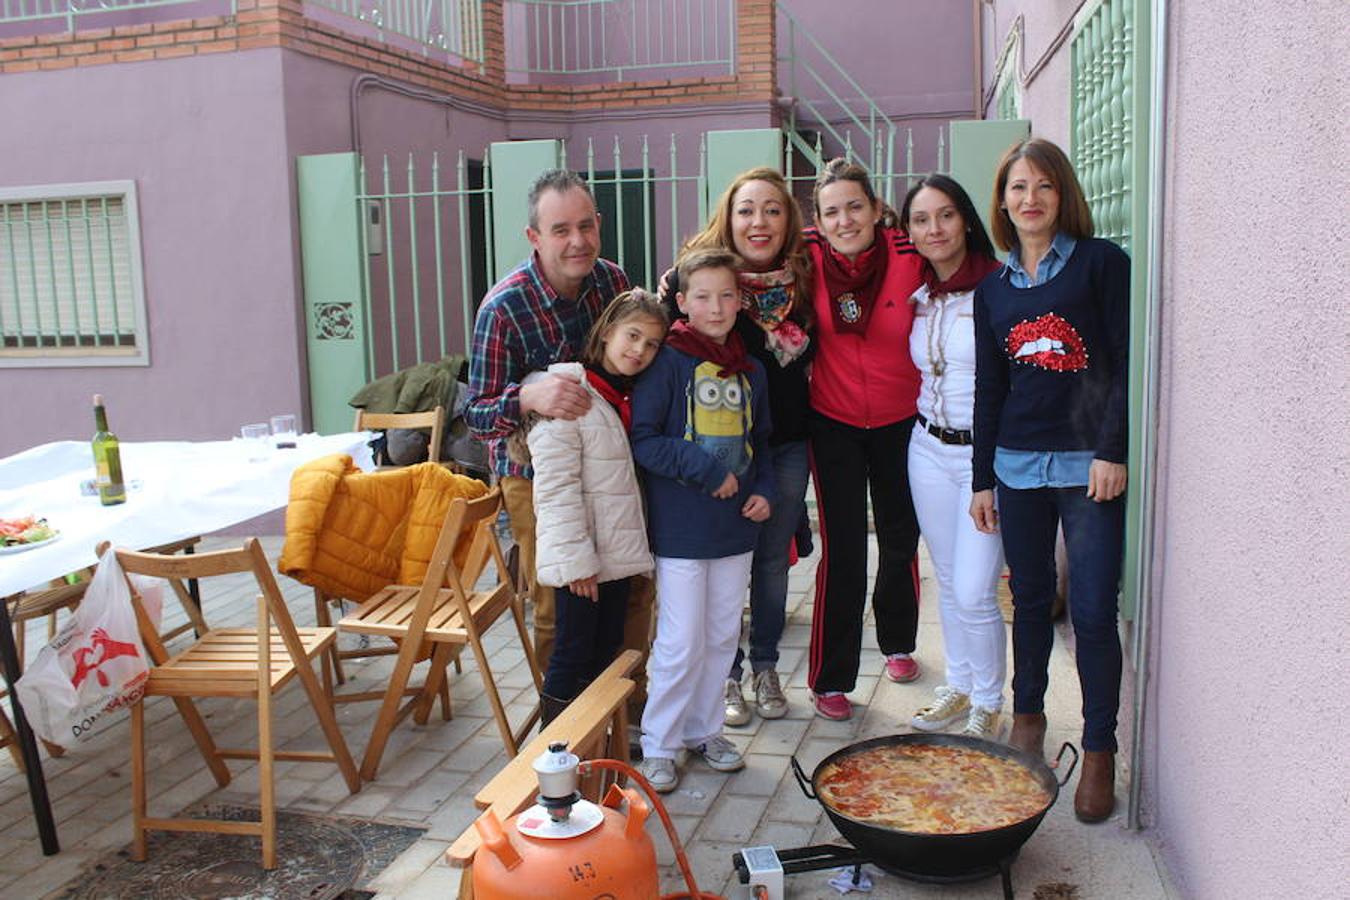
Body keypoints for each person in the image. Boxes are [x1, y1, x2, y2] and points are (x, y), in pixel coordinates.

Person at [971, 138, 1129, 823]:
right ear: (1002, 201)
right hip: (1016, 464)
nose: (1029, 199)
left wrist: (1111, 449)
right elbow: (989, 387)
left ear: (1062, 195)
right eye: (1016, 188)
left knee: (1092, 611)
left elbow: (1123, 362)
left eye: (1043, 187)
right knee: (1030, 602)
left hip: (1087, 466)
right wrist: (982, 478)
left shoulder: (1101, 265)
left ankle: (1099, 749)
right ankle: (1028, 721)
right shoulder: (993, 289)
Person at [465, 169, 656, 709]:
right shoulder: (502, 309)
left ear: (598, 224)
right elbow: (476, 415)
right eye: (560, 229)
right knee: (560, 598)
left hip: (614, 468)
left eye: (585, 225)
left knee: (634, 590)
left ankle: (627, 715)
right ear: (535, 237)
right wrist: (527, 397)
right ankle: (566, 725)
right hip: (536, 479)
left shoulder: (614, 283)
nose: (577, 241)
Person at [656, 167, 813, 726]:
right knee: (722, 564)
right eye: (747, 209)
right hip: (713, 453)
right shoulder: (701, 278)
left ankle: (766, 665)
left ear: (788, 219)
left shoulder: (803, 278)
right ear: (728, 216)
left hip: (783, 443)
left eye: (772, 209)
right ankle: (727, 675)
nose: (759, 221)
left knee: (771, 561)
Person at [631, 248, 774, 792]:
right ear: (683, 302)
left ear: (741, 301)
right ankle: (662, 743)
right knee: (679, 640)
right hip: (683, 530)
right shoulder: (665, 364)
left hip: (734, 529)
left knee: (720, 635)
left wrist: (761, 490)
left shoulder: (752, 371)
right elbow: (644, 439)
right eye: (704, 296)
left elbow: (759, 443)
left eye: (726, 295)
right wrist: (702, 467)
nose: (716, 307)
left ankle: (704, 730)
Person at [510, 291, 669, 726]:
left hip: (614, 557)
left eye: (652, 344)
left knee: (604, 655)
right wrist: (578, 562)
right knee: (571, 657)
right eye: (632, 335)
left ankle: (595, 751)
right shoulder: (569, 394)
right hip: (583, 564)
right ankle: (552, 760)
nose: (639, 350)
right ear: (606, 333)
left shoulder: (624, 396)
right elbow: (556, 489)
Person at [804, 159, 925, 721]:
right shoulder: (803, 255)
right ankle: (832, 678)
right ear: (818, 220)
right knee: (845, 550)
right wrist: (673, 282)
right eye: (832, 211)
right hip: (834, 421)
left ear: (877, 210)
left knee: (900, 540)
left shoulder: (910, 255)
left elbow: (968, 269)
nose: (845, 219)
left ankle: (898, 642)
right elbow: (734, 257)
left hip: (904, 421)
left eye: (856, 206)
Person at [899, 174, 1008, 739]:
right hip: (927, 448)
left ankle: (990, 699)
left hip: (982, 459)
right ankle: (960, 685)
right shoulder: (918, 293)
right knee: (944, 576)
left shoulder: (998, 285)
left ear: (966, 219)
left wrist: (990, 470)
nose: (933, 229)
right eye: (920, 219)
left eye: (944, 215)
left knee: (973, 588)